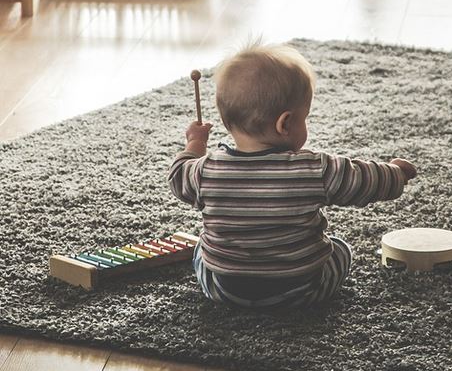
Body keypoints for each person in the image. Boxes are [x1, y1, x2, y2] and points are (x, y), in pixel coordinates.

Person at [168, 41, 417, 309]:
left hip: (226, 290)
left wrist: (195, 144)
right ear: (285, 123)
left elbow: (177, 175)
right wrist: (396, 173)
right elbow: (363, 179)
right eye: (304, 118)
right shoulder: (315, 169)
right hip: (302, 290)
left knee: (200, 250)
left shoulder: (205, 171)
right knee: (341, 248)